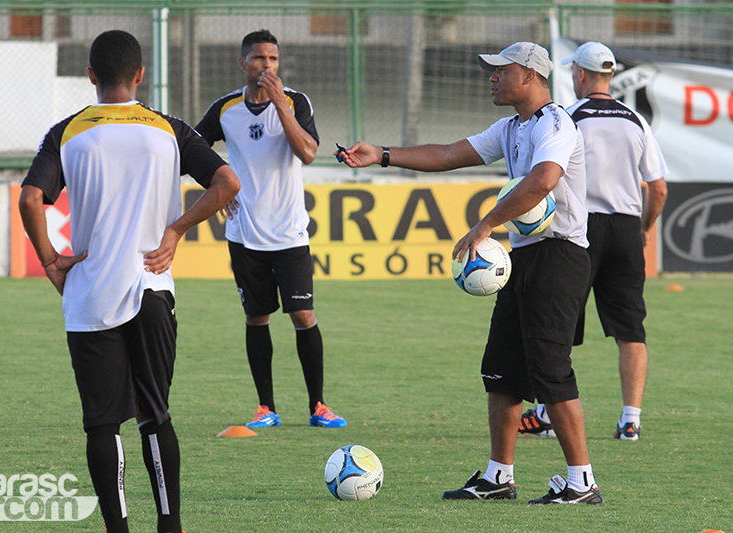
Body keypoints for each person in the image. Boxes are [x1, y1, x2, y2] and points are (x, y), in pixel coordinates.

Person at [340, 42, 602, 504]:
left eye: (501, 70)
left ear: (529, 75)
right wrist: (381, 154)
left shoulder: (556, 122)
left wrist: (485, 225)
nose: (492, 77)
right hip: (522, 259)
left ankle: (583, 482)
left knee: (551, 371)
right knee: (500, 371)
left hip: (558, 258)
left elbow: (543, 179)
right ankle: (500, 477)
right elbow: (445, 154)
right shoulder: (511, 127)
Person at [19, 30, 240, 533]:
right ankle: (170, 525)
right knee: (154, 414)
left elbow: (31, 200)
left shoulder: (67, 131)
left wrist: (52, 261)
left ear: (91, 76)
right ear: (140, 74)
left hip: (92, 292)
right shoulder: (169, 128)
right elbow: (228, 183)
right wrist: (177, 230)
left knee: (102, 421)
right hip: (152, 286)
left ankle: (116, 527)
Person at [195, 29, 346, 429]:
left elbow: (309, 153)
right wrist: (217, 183)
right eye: (260, 59)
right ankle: (266, 408)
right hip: (244, 234)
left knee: (302, 313)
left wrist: (281, 104)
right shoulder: (225, 109)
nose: (267, 66)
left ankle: (318, 406)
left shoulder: (295, 102)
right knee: (257, 317)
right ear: (243, 63)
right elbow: (191, 150)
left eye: (274, 59)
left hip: (290, 233)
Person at [518, 42, 668, 442]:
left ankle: (548, 414)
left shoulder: (567, 118)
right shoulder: (636, 120)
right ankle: (631, 419)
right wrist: (646, 226)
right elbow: (658, 188)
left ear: (580, 75)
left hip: (581, 231)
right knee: (631, 328)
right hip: (625, 228)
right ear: (610, 75)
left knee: (560, 323)